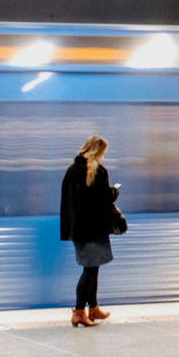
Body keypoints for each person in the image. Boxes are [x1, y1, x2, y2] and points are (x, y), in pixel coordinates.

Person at [59, 136, 124, 327]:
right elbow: (104, 198)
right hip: (94, 228)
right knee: (90, 270)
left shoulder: (72, 170)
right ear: (100, 151)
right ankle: (79, 312)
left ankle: (93, 308)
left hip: (78, 230)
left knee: (93, 268)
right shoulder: (97, 171)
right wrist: (115, 192)